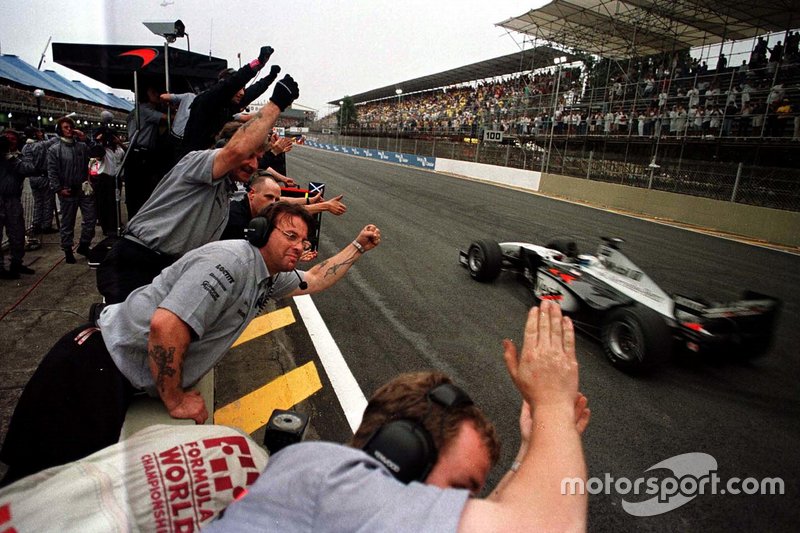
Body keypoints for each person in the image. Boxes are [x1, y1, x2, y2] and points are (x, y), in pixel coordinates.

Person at [0, 201, 382, 485]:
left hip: (112, 375)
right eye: (290, 235)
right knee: (34, 491)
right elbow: (166, 326)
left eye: (303, 240)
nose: (299, 247)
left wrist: (358, 247)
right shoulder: (230, 263)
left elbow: (315, 279)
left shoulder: (266, 274)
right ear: (263, 232)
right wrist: (175, 398)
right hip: (89, 372)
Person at [204, 301, 589, 532]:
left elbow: (496, 517)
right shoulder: (334, 485)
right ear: (399, 454)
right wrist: (553, 402)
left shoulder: (336, 497)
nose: (467, 505)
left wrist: (529, 448)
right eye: (458, 489)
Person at [96, 74, 301, 304]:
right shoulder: (198, 160)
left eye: (258, 158)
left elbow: (266, 194)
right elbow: (235, 153)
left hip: (169, 272)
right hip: (137, 263)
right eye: (250, 155)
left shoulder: (228, 191)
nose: (253, 163)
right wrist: (275, 105)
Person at [180, 46, 281, 157]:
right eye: (238, 88)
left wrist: (270, 77)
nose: (242, 93)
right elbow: (232, 84)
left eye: (243, 88)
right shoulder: (207, 100)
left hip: (208, 157)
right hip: (191, 161)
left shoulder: (229, 104)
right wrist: (258, 63)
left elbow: (252, 92)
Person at [220, 171, 346, 242]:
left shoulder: (258, 206)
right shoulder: (233, 218)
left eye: (276, 199)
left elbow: (284, 204)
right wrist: (324, 206)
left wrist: (310, 200)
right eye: (269, 197)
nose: (273, 203)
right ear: (252, 194)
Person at [47, 116, 95, 263]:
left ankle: (84, 245)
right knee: (68, 222)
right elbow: (52, 171)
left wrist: (85, 138)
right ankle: (67, 249)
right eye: (65, 128)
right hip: (67, 190)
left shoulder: (82, 146)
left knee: (91, 219)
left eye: (70, 127)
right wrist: (58, 189)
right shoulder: (55, 149)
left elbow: (96, 152)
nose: (69, 130)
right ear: (59, 131)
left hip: (83, 188)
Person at [0, 130, 38, 279]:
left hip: (13, 199)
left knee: (17, 233)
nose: (9, 142)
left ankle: (16, 262)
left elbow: (29, 169)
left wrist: (12, 159)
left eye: (12, 139)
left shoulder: (19, 157)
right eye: (6, 139)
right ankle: (0, 268)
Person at [125, 85, 167, 218]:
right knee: (142, 192)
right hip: (141, 154)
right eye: (153, 92)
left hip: (137, 153)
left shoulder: (136, 110)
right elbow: (168, 118)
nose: (157, 94)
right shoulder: (145, 110)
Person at [21, 126, 58, 236]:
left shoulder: (25, 147)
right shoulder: (40, 145)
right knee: (48, 202)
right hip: (43, 176)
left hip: (32, 178)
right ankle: (46, 225)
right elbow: (55, 139)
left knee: (38, 202)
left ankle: (36, 224)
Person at [89, 125, 125, 236]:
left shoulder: (118, 149)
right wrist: (99, 140)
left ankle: (115, 224)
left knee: (115, 203)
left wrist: (119, 143)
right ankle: (107, 228)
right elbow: (96, 153)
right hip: (104, 179)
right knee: (105, 204)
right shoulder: (103, 149)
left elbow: (128, 152)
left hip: (116, 178)